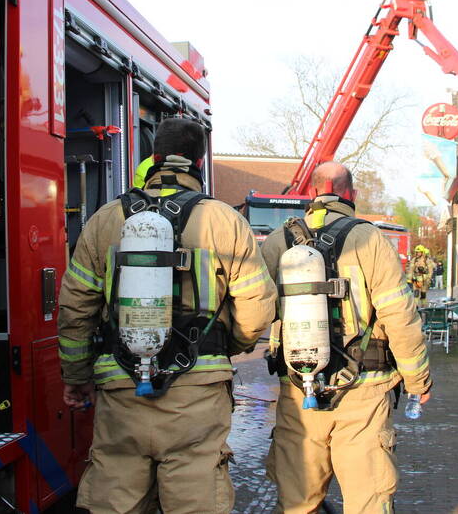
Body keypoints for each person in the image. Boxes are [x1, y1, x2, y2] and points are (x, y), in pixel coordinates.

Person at [58, 118, 276, 514]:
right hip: (197, 392)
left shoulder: (106, 219)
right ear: (199, 160)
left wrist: (76, 378)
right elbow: (258, 307)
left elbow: (75, 309)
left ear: (154, 158)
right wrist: (223, 347)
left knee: (114, 501)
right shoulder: (225, 220)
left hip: (120, 389)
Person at [260, 162, 433, 513]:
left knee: (296, 502)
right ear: (350, 194)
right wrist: (418, 381)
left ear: (312, 193)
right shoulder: (369, 238)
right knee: (367, 501)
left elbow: (255, 309)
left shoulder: (280, 240)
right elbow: (399, 316)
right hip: (363, 392)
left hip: (298, 389)